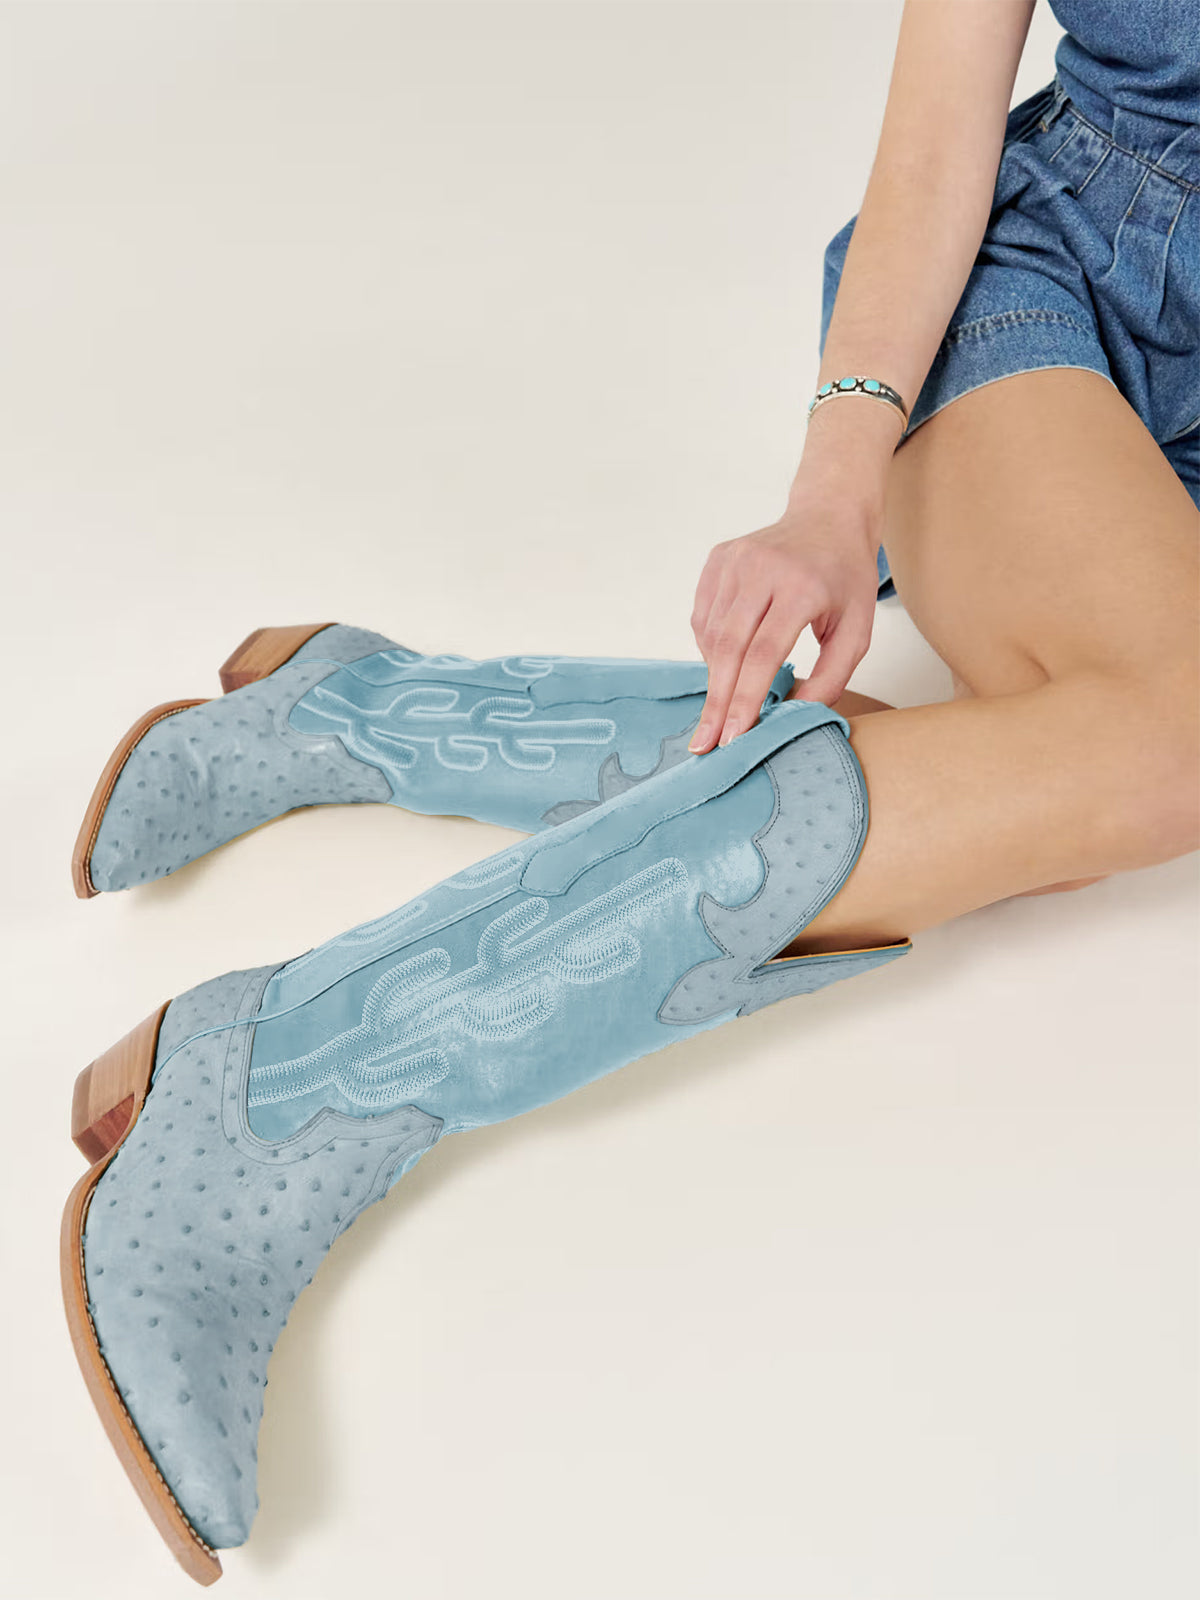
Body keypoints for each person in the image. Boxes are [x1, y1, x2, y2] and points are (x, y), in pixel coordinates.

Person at [61, 0, 1198, 1583]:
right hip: (1059, 292)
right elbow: (939, 135)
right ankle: (282, 1080)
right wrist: (829, 493)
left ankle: (370, 712)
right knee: (1159, 748)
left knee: (1060, 790)